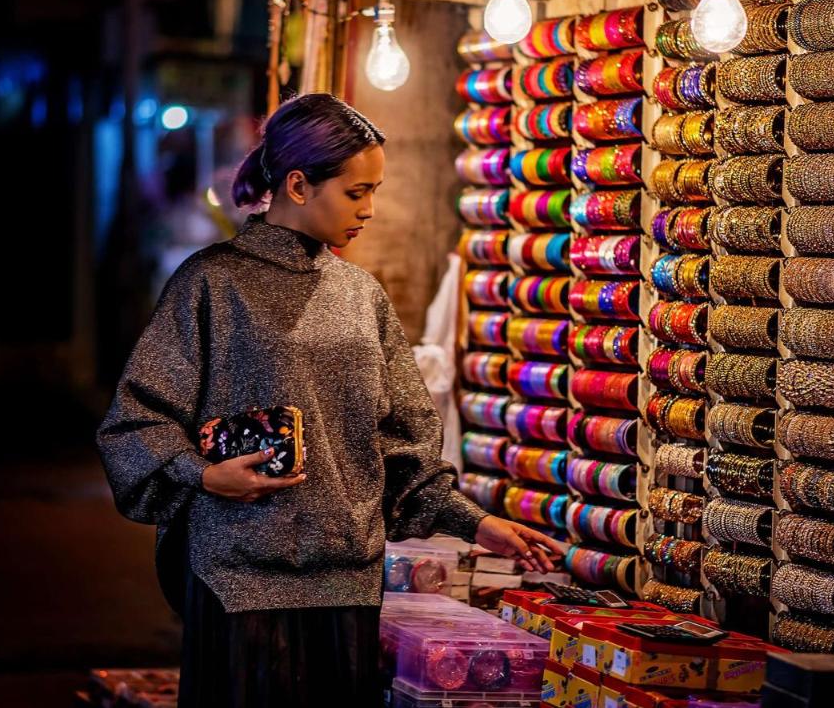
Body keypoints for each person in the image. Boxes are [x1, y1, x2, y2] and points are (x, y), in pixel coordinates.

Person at [96, 93, 566, 707]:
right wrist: (206, 475)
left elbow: (405, 447)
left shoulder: (360, 296)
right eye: (355, 192)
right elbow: (135, 423)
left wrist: (476, 524)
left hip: (347, 587)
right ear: (297, 184)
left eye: (375, 190)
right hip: (237, 582)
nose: (370, 209)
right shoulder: (210, 283)